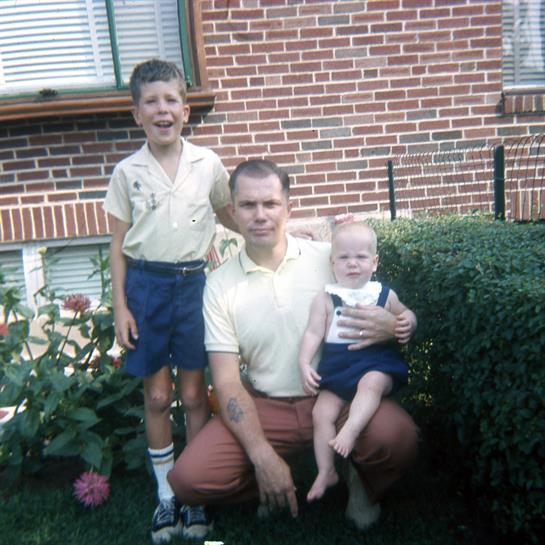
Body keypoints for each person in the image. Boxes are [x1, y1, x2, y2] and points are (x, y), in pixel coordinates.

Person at [167, 159, 419, 534]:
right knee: (189, 479)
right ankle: (272, 483)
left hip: (338, 395)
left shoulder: (327, 258)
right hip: (267, 405)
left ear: (288, 207)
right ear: (232, 212)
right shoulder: (220, 285)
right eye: (248, 206)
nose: (260, 215)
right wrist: (261, 456)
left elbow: (385, 305)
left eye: (270, 204)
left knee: (398, 439)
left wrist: (396, 326)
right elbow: (227, 382)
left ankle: (359, 478)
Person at [103, 59, 238, 544]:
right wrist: (120, 306)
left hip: (195, 288)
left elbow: (232, 218)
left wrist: (285, 231)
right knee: (158, 396)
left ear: (186, 109)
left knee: (192, 396)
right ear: (136, 113)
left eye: (171, 100)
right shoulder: (127, 172)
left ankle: (195, 490)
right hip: (146, 288)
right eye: (151, 102)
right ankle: (166, 496)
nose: (163, 110)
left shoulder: (209, 165)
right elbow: (118, 245)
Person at [298, 221, 417, 502]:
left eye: (361, 257)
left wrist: (409, 322)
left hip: (376, 363)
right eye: (344, 257)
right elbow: (313, 333)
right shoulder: (326, 299)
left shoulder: (384, 295)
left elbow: (405, 314)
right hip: (338, 369)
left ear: (374, 262)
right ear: (333, 263)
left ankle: (350, 432)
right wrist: (304, 364)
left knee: (370, 383)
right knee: (321, 413)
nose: (352, 264)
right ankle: (326, 470)